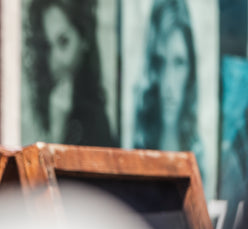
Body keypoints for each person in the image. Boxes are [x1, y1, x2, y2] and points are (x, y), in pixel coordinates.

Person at [24, 0, 116, 147]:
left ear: (84, 38)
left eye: (63, 42)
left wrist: (57, 131)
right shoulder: (49, 100)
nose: (55, 60)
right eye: (48, 46)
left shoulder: (94, 118)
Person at [133, 0, 203, 166]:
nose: (168, 83)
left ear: (190, 68)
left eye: (179, 63)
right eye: (160, 62)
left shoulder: (199, 152)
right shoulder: (139, 143)